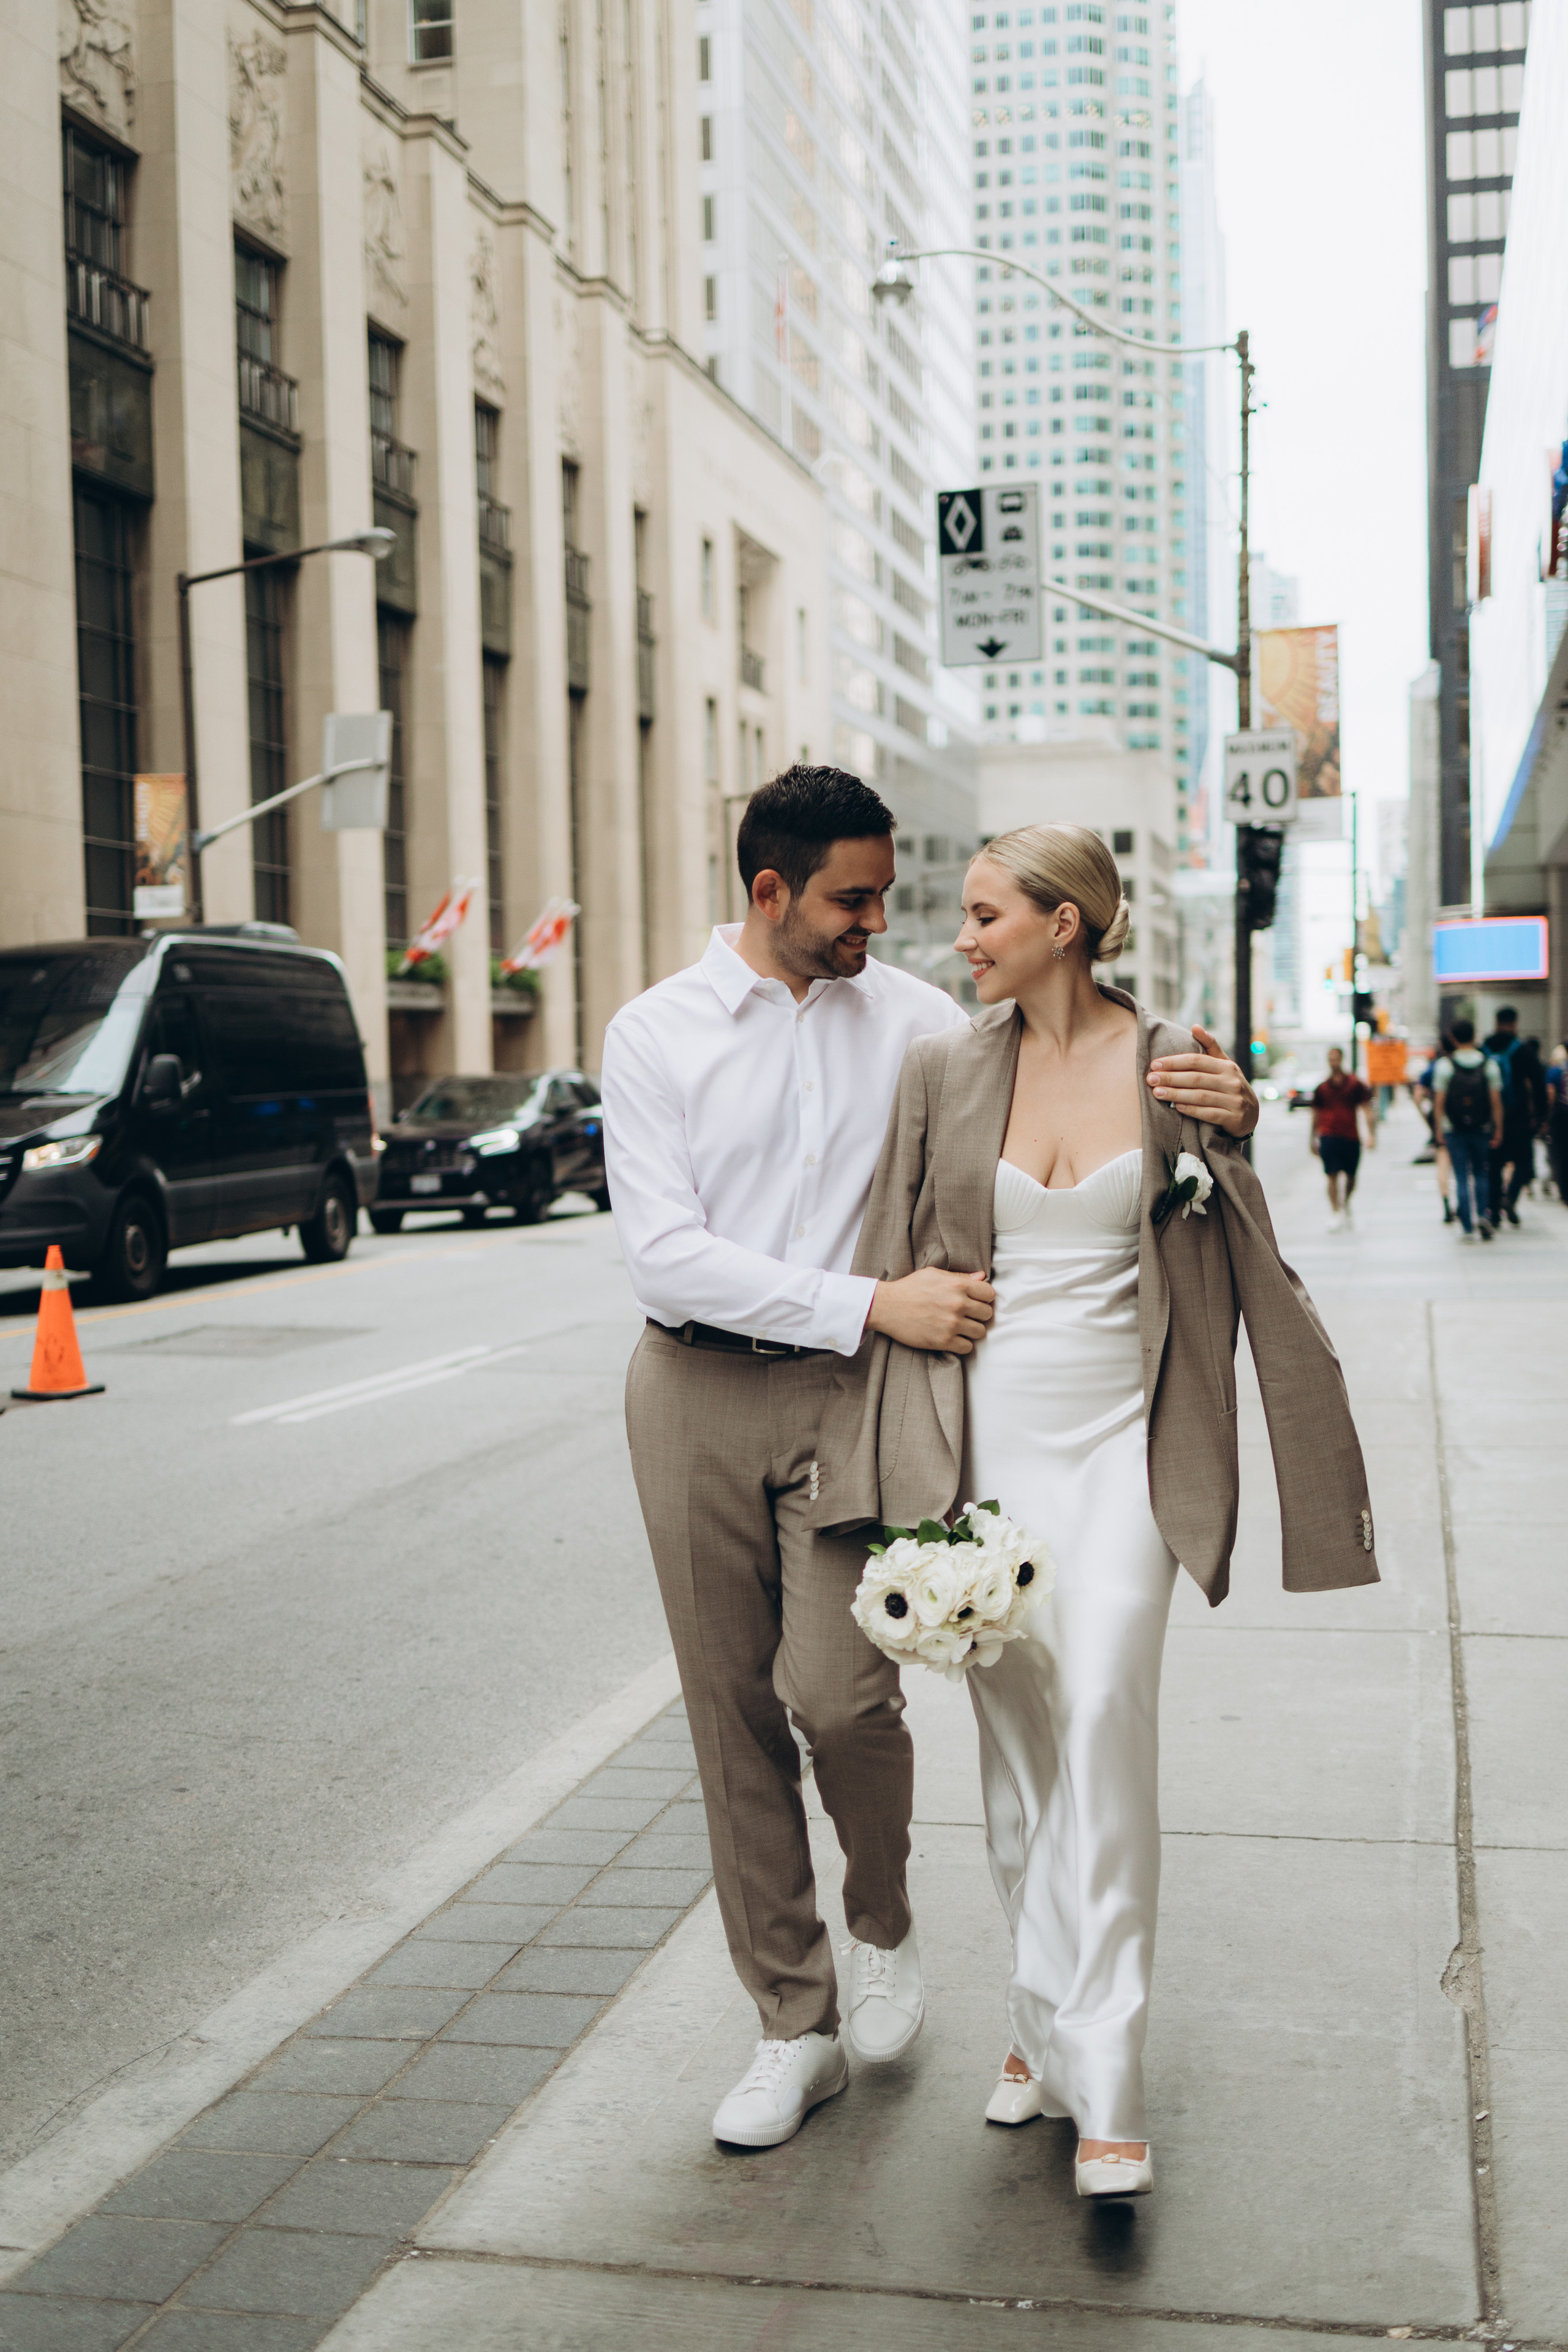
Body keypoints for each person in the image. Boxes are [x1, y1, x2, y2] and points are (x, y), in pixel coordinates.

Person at [601, 769, 1238, 2154]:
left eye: (893, 894)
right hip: (696, 1384)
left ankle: (881, 1923)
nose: (879, 922)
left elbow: (1063, 1093)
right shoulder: (653, 1031)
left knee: (839, 1698)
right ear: (768, 890)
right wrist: (868, 1298)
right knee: (731, 1715)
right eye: (852, 896)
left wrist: (1213, 1104)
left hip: (863, 1397)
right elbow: (663, 1249)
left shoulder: (922, 1021)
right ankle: (792, 2021)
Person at [809, 823, 1377, 2203]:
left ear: (1065, 924)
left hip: (1131, 1450)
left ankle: (1106, 2070)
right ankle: (1034, 2017)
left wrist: (1234, 1129)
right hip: (984, 1450)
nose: (960, 936)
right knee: (1015, 1772)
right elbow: (897, 1252)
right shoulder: (945, 1067)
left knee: (1105, 1718)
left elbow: (1240, 1239)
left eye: (985, 913)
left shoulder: (1173, 1058)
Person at [1433, 1017, 1503, 1242]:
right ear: (1474, 1036)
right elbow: (1496, 1102)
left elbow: (1439, 1103)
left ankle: (1466, 1226)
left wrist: (1439, 1130)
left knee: (1461, 1176)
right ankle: (1483, 1215)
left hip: (1454, 1129)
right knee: (1481, 1173)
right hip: (1481, 1127)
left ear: (1453, 1038)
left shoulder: (1445, 1066)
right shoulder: (1489, 1065)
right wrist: (1498, 1128)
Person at [1310, 1046, 1376, 1232]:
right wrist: (1312, 1139)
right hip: (1328, 1136)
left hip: (1351, 1136)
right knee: (1331, 1176)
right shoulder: (1322, 1088)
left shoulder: (1355, 1084)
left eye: (1336, 1058)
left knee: (1352, 1177)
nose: (1334, 1062)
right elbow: (1315, 1114)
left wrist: (1371, 1135)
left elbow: (1366, 1109)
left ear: (1342, 1059)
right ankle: (1336, 1211)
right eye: (1330, 1059)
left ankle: (1345, 1202)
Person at [1498, 1035, 1548, 1223]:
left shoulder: (1492, 1051)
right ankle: (1510, 1197)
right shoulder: (1529, 1064)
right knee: (1524, 1161)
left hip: (1500, 1119)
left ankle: (1495, 1209)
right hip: (1522, 1121)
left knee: (1499, 1163)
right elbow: (1539, 1092)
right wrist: (1541, 1117)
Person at [1481, 1006, 1521, 1227]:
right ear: (1514, 1023)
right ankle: (1510, 1198)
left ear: (1496, 1023)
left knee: (1492, 1168)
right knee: (1525, 1163)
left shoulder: (1484, 1049)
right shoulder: (1520, 1050)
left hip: (1484, 1118)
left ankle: (1493, 1213)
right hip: (1517, 1117)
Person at [1547, 1042, 1568, 1204]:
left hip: (1561, 1117)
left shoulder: (1556, 1071)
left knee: (1561, 1153)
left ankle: (1564, 1191)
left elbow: (1551, 1094)